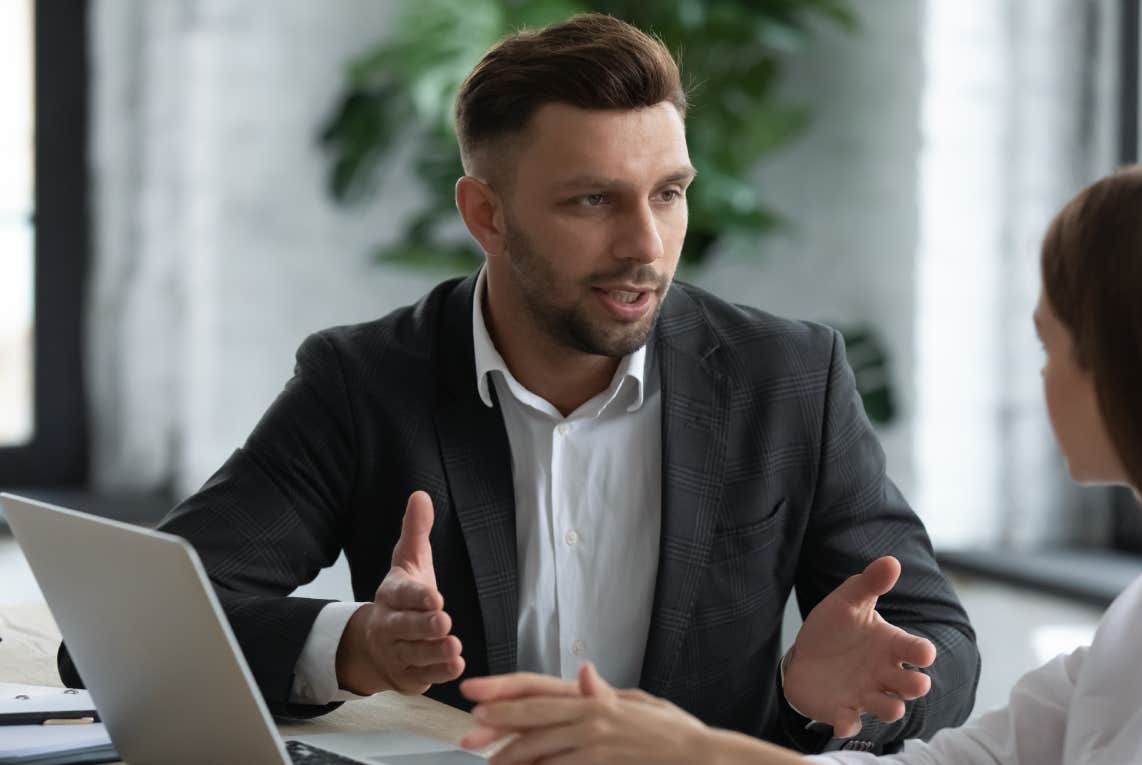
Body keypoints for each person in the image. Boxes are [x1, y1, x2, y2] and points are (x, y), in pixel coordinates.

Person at [57, 12, 980, 756]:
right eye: (593, 200)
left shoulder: (788, 381)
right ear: (485, 213)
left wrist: (831, 699)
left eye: (668, 192)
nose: (646, 247)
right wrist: (356, 645)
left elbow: (940, 642)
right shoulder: (365, 383)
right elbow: (122, 638)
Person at [457, 155, 1142, 765]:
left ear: (1137, 371)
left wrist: (694, 749)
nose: (1038, 380)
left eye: (1051, 349)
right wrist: (685, 743)